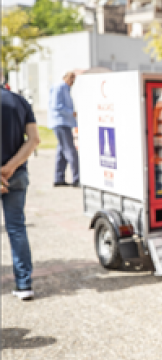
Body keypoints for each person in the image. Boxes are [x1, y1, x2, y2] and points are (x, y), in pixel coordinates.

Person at [1, 74, 41, 301]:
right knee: (17, 228)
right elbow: (34, 139)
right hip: (16, 175)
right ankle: (24, 285)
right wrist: (10, 167)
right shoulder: (20, 101)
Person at [48, 71, 79, 187]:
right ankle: (77, 178)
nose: (72, 82)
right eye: (71, 78)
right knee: (71, 151)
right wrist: (72, 113)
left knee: (61, 152)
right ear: (65, 77)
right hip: (61, 123)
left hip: (64, 123)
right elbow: (56, 106)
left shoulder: (65, 88)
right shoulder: (59, 87)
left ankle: (59, 178)